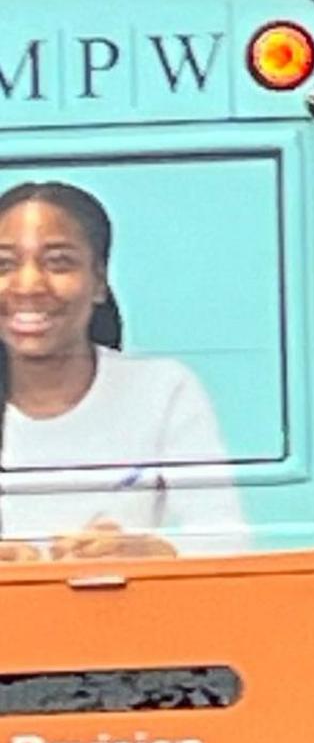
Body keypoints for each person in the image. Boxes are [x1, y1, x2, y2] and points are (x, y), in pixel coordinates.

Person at [0, 179, 244, 557]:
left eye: (58, 262)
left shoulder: (163, 389)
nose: (28, 284)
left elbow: (230, 544)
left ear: (99, 282)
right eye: (5, 264)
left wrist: (150, 552)